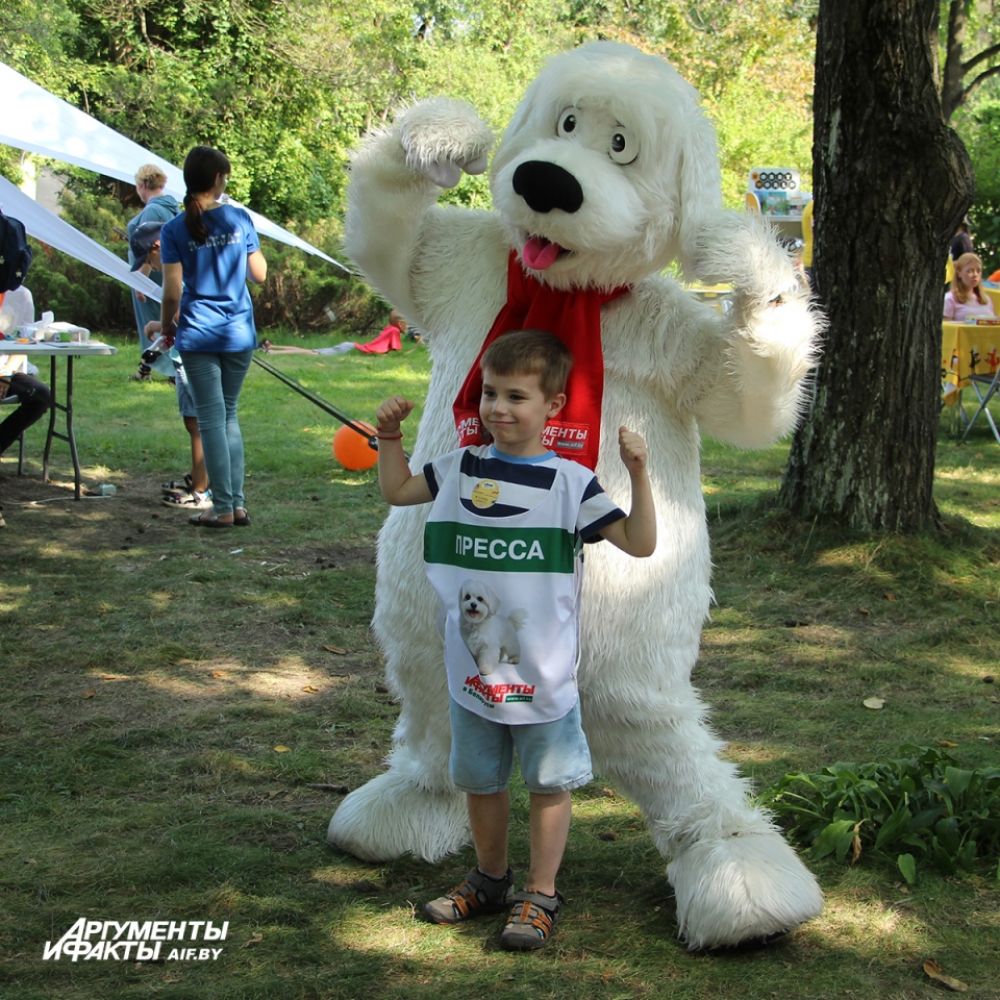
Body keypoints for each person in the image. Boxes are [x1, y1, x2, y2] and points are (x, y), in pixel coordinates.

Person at [373, 329, 656, 951]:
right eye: (490, 394)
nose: (499, 409)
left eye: (517, 396)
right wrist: (390, 439)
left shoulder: (570, 483)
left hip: (544, 678)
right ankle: (490, 879)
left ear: (552, 407)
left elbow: (640, 542)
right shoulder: (457, 468)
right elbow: (397, 492)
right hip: (471, 674)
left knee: (549, 784)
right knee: (481, 780)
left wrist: (639, 472)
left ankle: (541, 892)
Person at [159, 145, 267, 528]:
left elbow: (172, 291)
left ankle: (222, 507)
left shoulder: (173, 228)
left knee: (211, 419)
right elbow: (260, 274)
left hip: (199, 334)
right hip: (238, 332)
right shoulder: (240, 220)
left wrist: (166, 325)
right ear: (219, 179)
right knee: (229, 415)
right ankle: (235, 504)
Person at [0, 287, 52, 528]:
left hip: (11, 369)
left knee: (41, 396)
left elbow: (21, 341)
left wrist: (6, 375)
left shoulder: (20, 295)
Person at [127, 165, 180, 380]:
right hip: (161, 274)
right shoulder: (170, 207)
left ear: (141, 186)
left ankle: (168, 370)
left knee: (159, 325)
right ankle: (147, 369)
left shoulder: (152, 210)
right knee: (166, 322)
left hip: (154, 276)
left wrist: (142, 279)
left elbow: (153, 247)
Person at [262, 310, 407, 356]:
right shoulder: (394, 331)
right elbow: (395, 351)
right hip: (351, 348)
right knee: (312, 353)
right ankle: (272, 352)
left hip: (350, 346)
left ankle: (272, 347)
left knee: (310, 350)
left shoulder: (390, 328)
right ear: (400, 323)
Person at [944, 252, 996, 322]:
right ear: (959, 273)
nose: (975, 274)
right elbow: (946, 329)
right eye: (969, 271)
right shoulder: (949, 299)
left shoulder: (986, 299)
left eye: (978, 271)